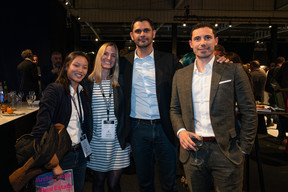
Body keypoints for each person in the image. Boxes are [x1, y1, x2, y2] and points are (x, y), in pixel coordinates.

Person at [170, 23, 257, 192]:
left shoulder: (233, 70)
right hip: (193, 151)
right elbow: (174, 109)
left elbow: (249, 111)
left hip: (226, 151)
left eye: (207, 37)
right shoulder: (180, 75)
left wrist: (244, 149)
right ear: (191, 44)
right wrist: (181, 132)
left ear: (215, 41)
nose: (203, 42)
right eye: (197, 38)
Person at [121, 16, 183, 192]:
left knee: (169, 181)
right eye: (138, 31)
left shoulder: (169, 60)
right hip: (137, 129)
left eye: (146, 30)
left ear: (153, 33)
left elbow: (189, 79)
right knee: (144, 181)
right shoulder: (124, 62)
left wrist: (217, 63)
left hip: (165, 127)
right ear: (132, 35)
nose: (142, 34)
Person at [31, 51, 92, 192]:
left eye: (84, 67)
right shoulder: (54, 90)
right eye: (76, 65)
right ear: (66, 67)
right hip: (60, 157)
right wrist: (53, 163)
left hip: (80, 154)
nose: (80, 70)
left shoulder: (82, 91)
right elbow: (40, 130)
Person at [85, 42, 130, 192]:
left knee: (113, 185)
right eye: (106, 54)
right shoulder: (87, 84)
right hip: (96, 143)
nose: (109, 58)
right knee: (98, 182)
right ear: (99, 56)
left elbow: (127, 113)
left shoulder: (120, 83)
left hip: (118, 143)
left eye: (113, 55)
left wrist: (129, 139)